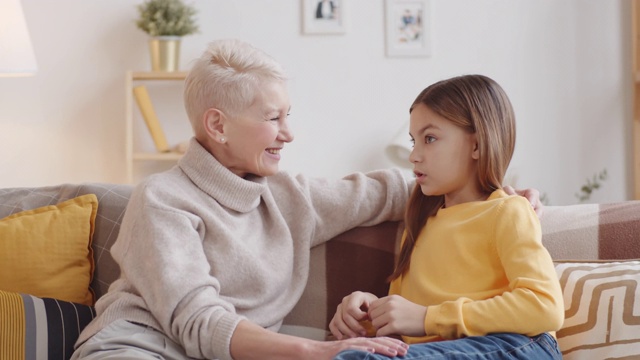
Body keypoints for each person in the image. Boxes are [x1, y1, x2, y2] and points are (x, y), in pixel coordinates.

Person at [71, 40, 543, 360]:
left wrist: (498, 192)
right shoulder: (163, 199)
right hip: (138, 348)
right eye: (273, 118)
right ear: (217, 126)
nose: (289, 133)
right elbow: (198, 322)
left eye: (288, 115)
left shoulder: (290, 197)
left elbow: (404, 186)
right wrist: (315, 352)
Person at [329, 75, 564, 359]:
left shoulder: (508, 211)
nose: (414, 155)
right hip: (440, 350)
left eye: (429, 139)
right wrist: (367, 311)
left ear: (477, 145)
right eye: (413, 141)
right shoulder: (419, 223)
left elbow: (544, 307)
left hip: (516, 346)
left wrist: (428, 317)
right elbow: (406, 325)